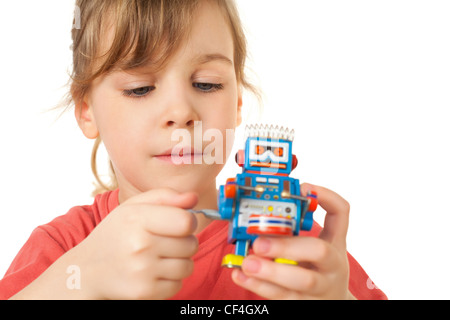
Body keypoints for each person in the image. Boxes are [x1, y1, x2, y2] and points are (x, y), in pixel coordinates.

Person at [0, 0, 386, 300]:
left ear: (237, 103)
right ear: (87, 111)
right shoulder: (63, 248)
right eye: (140, 88)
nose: (181, 112)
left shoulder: (295, 248)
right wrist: (81, 278)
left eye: (206, 84)